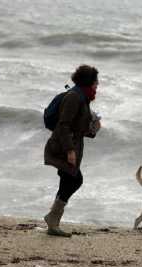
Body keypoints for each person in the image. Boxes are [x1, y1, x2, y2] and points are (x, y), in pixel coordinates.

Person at [43, 65, 101, 237]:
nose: (97, 84)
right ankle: (52, 218)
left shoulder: (82, 98)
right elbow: (63, 125)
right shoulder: (74, 97)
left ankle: (53, 221)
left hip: (71, 146)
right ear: (89, 82)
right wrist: (69, 150)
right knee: (75, 180)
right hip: (62, 147)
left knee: (68, 180)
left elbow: (78, 127)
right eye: (96, 81)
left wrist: (94, 129)